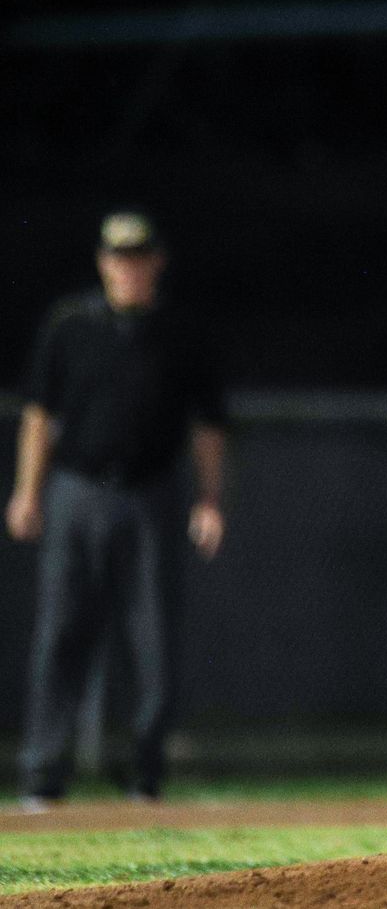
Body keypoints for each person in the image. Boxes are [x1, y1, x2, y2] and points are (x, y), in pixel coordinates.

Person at [8, 212, 228, 808]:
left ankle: (144, 778)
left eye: (139, 257)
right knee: (61, 633)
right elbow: (38, 415)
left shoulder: (182, 330)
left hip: (152, 491)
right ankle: (43, 778)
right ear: (103, 263)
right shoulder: (70, 324)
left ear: (157, 261)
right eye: (117, 257)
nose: (128, 268)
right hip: (76, 490)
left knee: (153, 637)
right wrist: (27, 492)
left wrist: (209, 499)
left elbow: (208, 423)